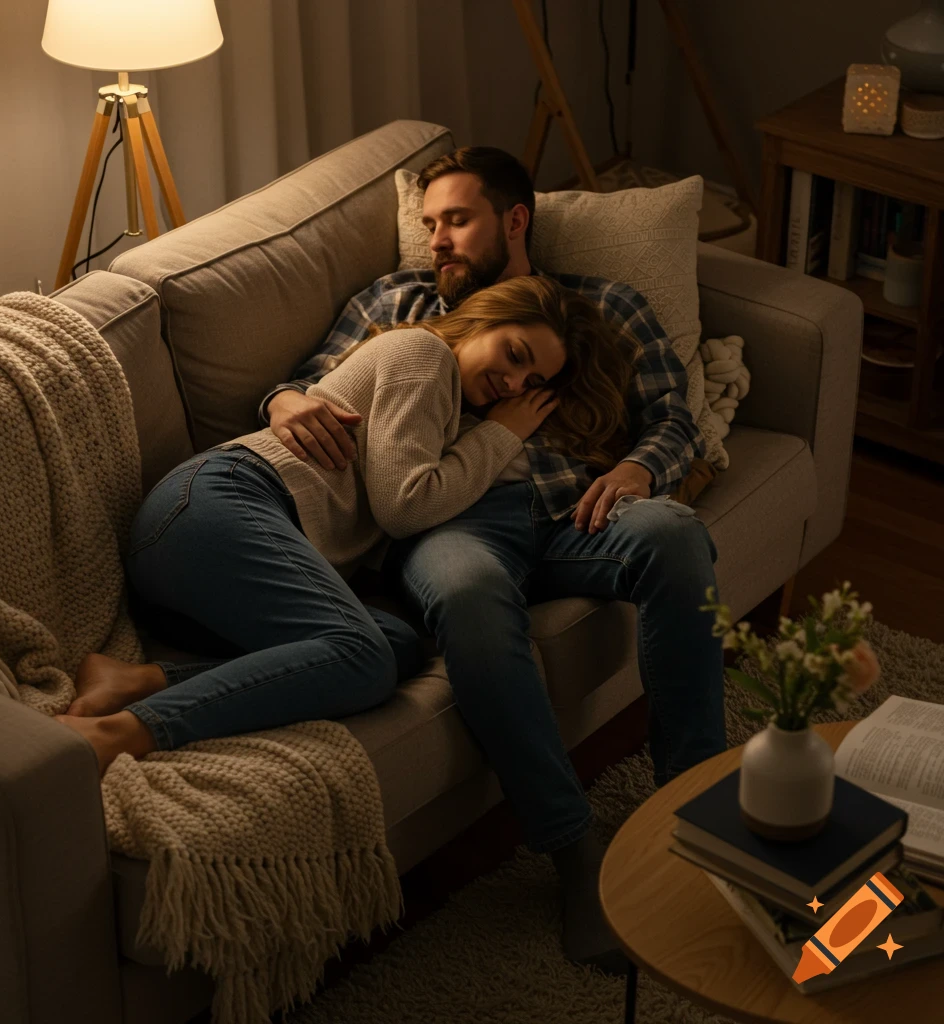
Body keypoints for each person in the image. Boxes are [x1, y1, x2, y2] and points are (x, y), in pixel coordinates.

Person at [257, 147, 727, 971]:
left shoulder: (603, 304)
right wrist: (287, 400)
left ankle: (696, 809)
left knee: (675, 535)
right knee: (469, 596)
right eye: (429, 223)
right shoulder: (395, 304)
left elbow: (673, 416)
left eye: (457, 220)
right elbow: (306, 383)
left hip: (576, 510)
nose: (436, 240)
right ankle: (574, 856)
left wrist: (637, 468)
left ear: (515, 220)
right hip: (451, 526)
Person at [53, 275, 631, 796]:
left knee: (396, 643)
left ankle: (138, 679)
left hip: (209, 570)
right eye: (514, 354)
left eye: (532, 381)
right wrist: (503, 434)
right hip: (218, 503)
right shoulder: (424, 355)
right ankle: (120, 732)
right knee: (364, 656)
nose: (513, 383)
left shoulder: (452, 410)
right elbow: (407, 506)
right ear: (482, 320)